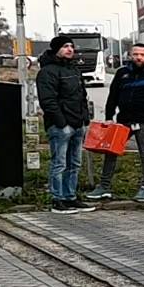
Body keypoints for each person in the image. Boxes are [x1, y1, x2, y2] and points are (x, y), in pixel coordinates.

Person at [87, 42, 144, 203]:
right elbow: (112, 96)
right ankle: (104, 187)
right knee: (111, 151)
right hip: (123, 121)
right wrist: (109, 116)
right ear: (130, 55)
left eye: (142, 54)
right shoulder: (121, 73)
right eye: (136, 54)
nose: (139, 57)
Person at [35, 34, 92, 214]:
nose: (70, 49)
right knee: (59, 163)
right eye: (65, 46)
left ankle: (70, 196)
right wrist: (61, 122)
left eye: (71, 46)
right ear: (56, 49)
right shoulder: (47, 72)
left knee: (74, 163)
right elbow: (48, 101)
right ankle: (57, 199)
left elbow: (82, 96)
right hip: (61, 126)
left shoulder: (74, 70)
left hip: (77, 124)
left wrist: (84, 119)